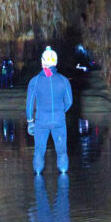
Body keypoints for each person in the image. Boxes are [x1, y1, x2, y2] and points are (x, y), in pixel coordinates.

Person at [26, 46, 73, 174]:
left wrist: (30, 121)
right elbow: (69, 101)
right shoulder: (64, 81)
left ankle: (38, 174)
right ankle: (63, 173)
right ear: (56, 62)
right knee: (62, 151)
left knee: (39, 151)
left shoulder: (34, 82)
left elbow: (29, 105)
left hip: (41, 122)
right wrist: (60, 112)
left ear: (42, 62)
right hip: (59, 121)